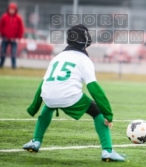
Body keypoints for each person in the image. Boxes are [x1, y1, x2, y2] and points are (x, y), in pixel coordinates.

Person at [23, 24, 127, 162]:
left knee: (49, 105)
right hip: (69, 97)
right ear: (85, 40)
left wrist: (33, 107)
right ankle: (108, 151)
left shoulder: (57, 57)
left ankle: (36, 141)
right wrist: (107, 112)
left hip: (48, 95)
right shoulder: (84, 60)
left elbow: (43, 84)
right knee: (97, 111)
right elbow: (94, 88)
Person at [0, 3, 24, 69]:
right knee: (3, 51)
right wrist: (2, 34)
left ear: (15, 10)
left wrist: (19, 37)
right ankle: (1, 63)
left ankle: (13, 65)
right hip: (5, 37)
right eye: (10, 9)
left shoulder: (18, 18)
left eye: (13, 9)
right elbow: (0, 26)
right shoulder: (4, 17)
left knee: (14, 52)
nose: (11, 11)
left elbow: (21, 28)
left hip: (14, 38)